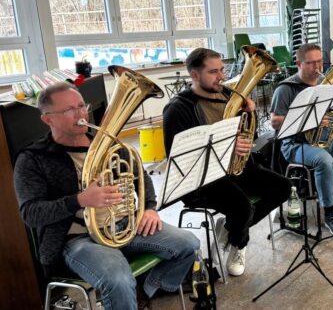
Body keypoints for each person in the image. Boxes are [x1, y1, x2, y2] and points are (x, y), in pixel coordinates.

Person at [13, 82, 199, 310]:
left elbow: (142, 178)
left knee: (189, 243)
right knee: (118, 280)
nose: (81, 114)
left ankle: (144, 290)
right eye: (69, 110)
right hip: (78, 239)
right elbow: (30, 214)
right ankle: (127, 296)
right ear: (47, 119)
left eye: (82, 106)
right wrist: (80, 200)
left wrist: (149, 208)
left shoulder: (109, 145)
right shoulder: (33, 159)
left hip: (125, 226)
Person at [163, 48, 291, 277]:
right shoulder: (178, 109)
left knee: (283, 187)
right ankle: (240, 242)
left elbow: (249, 137)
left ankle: (231, 230)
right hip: (203, 179)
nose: (221, 77)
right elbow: (180, 159)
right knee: (242, 206)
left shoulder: (230, 96)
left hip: (237, 169)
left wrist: (250, 114)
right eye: (213, 72)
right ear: (195, 75)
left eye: (222, 70)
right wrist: (227, 147)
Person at [270, 43, 333, 237]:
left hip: (328, 137)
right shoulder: (285, 89)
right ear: (299, 64)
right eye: (311, 63)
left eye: (320, 61)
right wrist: (310, 119)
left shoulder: (325, 84)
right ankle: (330, 212)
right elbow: (275, 122)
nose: (317, 66)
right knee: (324, 161)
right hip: (296, 144)